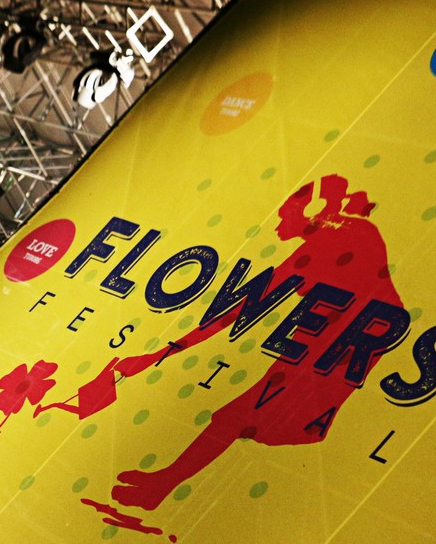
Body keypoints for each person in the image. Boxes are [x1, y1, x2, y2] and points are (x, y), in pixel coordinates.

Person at [36, 174, 405, 511]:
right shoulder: (341, 236)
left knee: (240, 417)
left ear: (310, 213)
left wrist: (158, 355)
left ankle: (165, 487)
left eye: (285, 214)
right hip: (331, 339)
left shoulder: (338, 239)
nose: (278, 222)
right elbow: (240, 306)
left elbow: (234, 309)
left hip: (342, 343)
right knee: (238, 417)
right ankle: (163, 485)